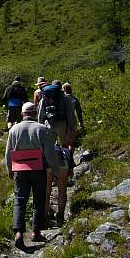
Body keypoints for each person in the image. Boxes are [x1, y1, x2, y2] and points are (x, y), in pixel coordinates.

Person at [5, 102, 61, 250]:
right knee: (39, 199)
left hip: (19, 169)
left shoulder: (14, 129)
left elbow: (8, 152)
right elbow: (50, 153)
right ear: (36, 114)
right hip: (38, 169)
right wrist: (55, 171)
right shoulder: (43, 129)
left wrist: (9, 169)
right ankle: (36, 231)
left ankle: (18, 232)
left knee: (20, 200)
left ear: (23, 114)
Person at [39, 79, 77, 226]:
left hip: (49, 125)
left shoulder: (45, 96)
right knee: (65, 145)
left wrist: (40, 129)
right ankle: (67, 165)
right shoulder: (65, 97)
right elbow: (70, 114)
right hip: (62, 124)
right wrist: (72, 129)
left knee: (48, 148)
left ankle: (44, 215)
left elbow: (41, 114)